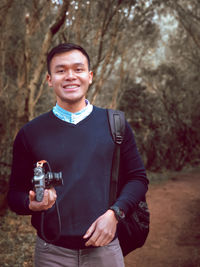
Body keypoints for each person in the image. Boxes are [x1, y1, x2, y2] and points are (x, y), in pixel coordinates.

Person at [7, 43, 149, 267]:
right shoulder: (30, 133)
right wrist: (31, 204)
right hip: (50, 253)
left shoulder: (116, 124)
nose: (70, 76)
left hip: (105, 249)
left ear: (90, 76)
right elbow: (14, 195)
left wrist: (115, 215)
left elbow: (138, 179)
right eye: (61, 70)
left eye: (78, 69)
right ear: (49, 79)